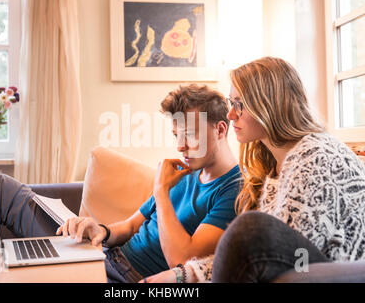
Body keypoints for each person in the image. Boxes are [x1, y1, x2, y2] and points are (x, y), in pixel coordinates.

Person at [0, 84, 242, 283]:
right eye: (176, 135)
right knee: (0, 189)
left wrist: (161, 190)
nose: (180, 146)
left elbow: (184, 260)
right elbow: (132, 226)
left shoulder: (233, 189)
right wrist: (101, 230)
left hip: (122, 279)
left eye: (189, 134)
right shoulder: (185, 171)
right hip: (103, 256)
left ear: (220, 129)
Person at [143, 57, 365, 283]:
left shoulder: (315, 157)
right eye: (231, 103)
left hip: (339, 274)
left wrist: (183, 276)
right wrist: (182, 275)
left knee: (249, 228)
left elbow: (286, 257)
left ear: (269, 105)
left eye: (239, 104)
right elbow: (263, 255)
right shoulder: (275, 166)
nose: (230, 115)